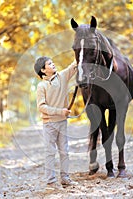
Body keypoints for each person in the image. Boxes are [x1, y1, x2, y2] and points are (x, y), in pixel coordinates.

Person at [34, 56, 78, 189]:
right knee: (50, 152)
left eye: (52, 62)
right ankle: (51, 182)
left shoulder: (63, 76)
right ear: (43, 70)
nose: (53, 64)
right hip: (49, 124)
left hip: (62, 122)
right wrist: (60, 111)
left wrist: (81, 49)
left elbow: (74, 65)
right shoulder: (41, 86)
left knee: (64, 151)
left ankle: (65, 178)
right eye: (49, 64)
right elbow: (41, 107)